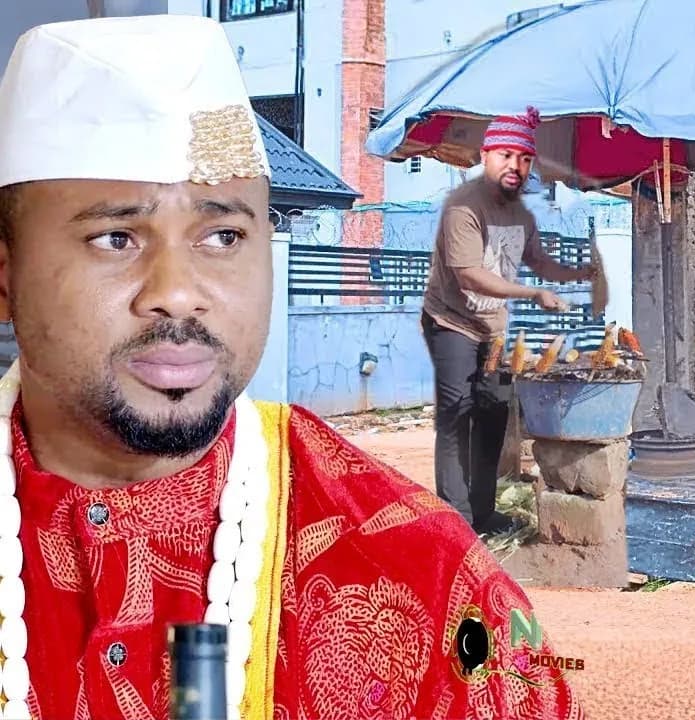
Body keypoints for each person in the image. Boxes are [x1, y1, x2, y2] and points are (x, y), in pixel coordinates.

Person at [0, 16, 580, 718]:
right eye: (116, 237)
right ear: (7, 275)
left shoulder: (418, 567)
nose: (179, 292)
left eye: (224, 235)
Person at [422, 107, 597, 536]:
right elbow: (469, 273)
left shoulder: (521, 213)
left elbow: (536, 260)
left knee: (494, 413)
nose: (515, 166)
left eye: (524, 158)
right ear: (485, 156)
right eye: (505, 155)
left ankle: (482, 511)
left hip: (493, 329)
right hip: (452, 323)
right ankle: (456, 519)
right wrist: (533, 293)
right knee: (457, 412)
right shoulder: (463, 208)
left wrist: (578, 274)